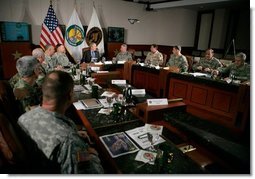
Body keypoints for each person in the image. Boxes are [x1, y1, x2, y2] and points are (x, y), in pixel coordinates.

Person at [18, 70, 104, 174]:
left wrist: (75, 135)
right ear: (70, 95)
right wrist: (91, 154)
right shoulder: (69, 141)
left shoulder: (23, 118)